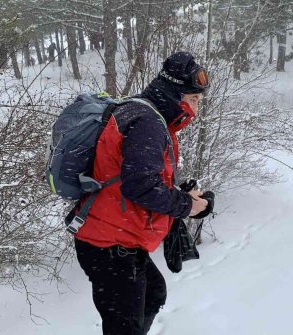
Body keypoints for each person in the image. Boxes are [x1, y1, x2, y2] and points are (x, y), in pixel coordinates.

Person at [74, 51, 211, 335]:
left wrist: (182, 196)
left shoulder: (139, 111)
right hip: (110, 246)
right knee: (125, 326)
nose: (195, 110)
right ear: (175, 94)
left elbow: (137, 178)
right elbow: (140, 186)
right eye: (193, 100)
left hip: (113, 238)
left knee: (153, 294)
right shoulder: (148, 123)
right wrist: (188, 206)